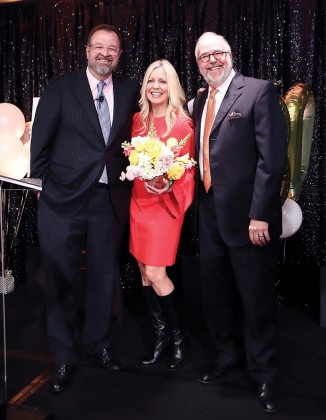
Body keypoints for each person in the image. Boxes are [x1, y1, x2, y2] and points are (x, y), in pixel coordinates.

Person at [30, 24, 139, 393]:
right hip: (61, 200)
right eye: (99, 47)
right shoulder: (61, 87)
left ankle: (99, 345)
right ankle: (63, 357)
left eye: (113, 48)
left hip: (107, 202)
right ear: (87, 50)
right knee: (60, 280)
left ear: (119, 55)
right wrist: (42, 187)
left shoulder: (128, 90)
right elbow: (40, 144)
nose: (105, 53)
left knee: (103, 278)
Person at [192, 32, 287, 413]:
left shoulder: (259, 91)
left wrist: (260, 214)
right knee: (214, 294)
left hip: (249, 219)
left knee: (256, 298)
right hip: (209, 215)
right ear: (198, 64)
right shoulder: (200, 100)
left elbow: (272, 160)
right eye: (204, 57)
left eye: (218, 53)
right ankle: (225, 357)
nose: (212, 60)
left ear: (231, 55)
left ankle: (264, 374)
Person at [129, 59, 195, 370]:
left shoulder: (183, 124)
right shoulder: (137, 120)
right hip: (140, 202)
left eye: (163, 81)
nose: (156, 86)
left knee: (156, 272)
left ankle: (179, 337)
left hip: (165, 205)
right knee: (144, 270)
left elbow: (188, 170)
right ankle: (160, 335)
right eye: (151, 81)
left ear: (172, 87)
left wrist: (168, 182)